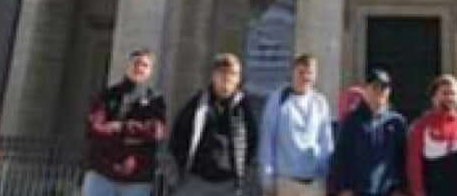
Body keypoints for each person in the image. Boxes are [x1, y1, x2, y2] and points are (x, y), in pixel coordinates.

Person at [169, 53, 258, 195]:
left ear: (238, 79)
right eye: (223, 72)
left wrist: (241, 170)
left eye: (233, 74)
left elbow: (252, 141)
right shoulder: (197, 103)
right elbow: (177, 137)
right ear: (213, 75)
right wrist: (184, 167)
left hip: (229, 183)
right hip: (196, 181)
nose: (227, 78)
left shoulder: (243, 107)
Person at [83, 48, 167, 196]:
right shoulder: (108, 95)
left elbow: (156, 131)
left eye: (144, 65)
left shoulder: (155, 100)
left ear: (150, 71)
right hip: (102, 173)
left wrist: (119, 128)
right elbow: (94, 128)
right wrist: (136, 134)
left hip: (137, 177)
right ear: (128, 66)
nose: (139, 68)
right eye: (136, 63)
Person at [258, 54, 334, 196]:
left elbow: (326, 142)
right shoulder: (278, 100)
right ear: (293, 72)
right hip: (285, 181)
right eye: (301, 72)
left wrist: (326, 175)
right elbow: (267, 140)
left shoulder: (320, 102)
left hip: (313, 182)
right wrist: (267, 179)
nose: (305, 77)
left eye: (309, 73)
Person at [332, 68, 407, 196]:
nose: (380, 92)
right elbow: (341, 157)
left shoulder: (397, 122)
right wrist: (344, 188)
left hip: (387, 191)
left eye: (384, 88)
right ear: (366, 89)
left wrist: (400, 188)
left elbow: (402, 157)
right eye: (375, 87)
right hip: (358, 190)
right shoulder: (351, 121)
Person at [406, 74, 457, 196]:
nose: (450, 97)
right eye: (445, 93)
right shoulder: (420, 127)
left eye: (453, 93)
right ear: (434, 97)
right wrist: (418, 192)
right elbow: (413, 165)